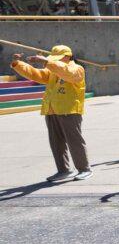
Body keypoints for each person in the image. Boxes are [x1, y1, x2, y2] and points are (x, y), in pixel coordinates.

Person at [10, 45, 91, 181]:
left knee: (74, 141)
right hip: (52, 110)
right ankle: (63, 170)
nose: (55, 61)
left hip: (69, 110)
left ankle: (84, 169)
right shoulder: (53, 71)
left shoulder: (77, 69)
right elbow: (36, 74)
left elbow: (67, 73)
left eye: (57, 58)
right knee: (56, 142)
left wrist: (47, 62)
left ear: (68, 56)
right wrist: (18, 64)